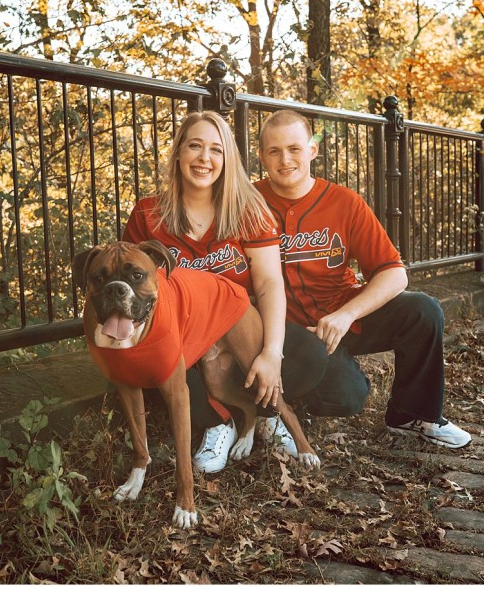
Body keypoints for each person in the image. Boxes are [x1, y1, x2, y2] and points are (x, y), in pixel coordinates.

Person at [123, 111, 330, 472]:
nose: (205, 158)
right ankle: (219, 423)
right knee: (161, 357)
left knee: (310, 354)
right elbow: (133, 284)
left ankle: (266, 414)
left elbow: (268, 283)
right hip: (183, 334)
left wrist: (271, 353)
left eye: (216, 150)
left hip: (240, 326)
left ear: (227, 159)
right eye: (195, 146)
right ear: (178, 154)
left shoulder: (248, 208)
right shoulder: (148, 213)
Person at [253, 109, 471, 449]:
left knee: (423, 311)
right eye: (274, 151)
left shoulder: (343, 202)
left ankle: (413, 414)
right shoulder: (248, 204)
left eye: (294, 149)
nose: (285, 159)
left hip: (341, 319)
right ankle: (286, 398)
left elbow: (393, 272)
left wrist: (347, 314)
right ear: (261, 155)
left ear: (312, 150)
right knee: (348, 396)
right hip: (287, 333)